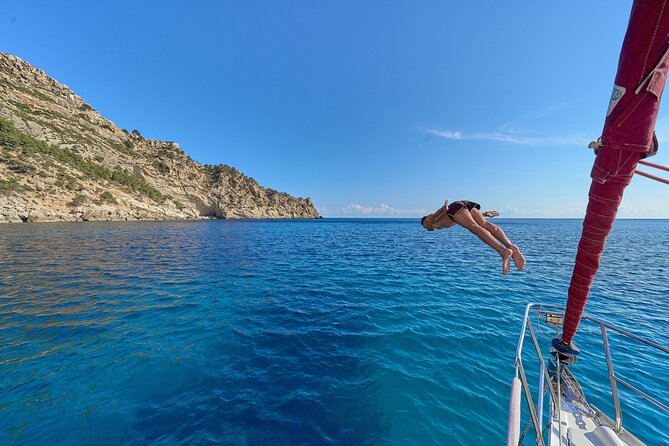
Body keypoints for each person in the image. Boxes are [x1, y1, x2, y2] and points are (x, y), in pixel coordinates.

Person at [421, 200, 526, 275]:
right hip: (462, 205)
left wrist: (443, 209)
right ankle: (511, 246)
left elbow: (434, 215)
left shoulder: (429, 221)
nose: (425, 228)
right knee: (484, 224)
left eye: (424, 225)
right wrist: (484, 214)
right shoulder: (438, 224)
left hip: (454, 209)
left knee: (474, 228)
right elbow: (464, 216)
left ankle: (503, 251)